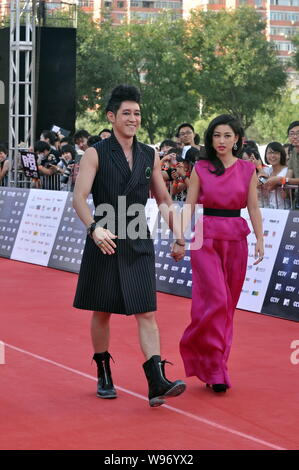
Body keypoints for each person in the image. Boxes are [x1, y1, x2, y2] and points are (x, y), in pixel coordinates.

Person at [72, 84, 186, 407]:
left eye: (137, 113)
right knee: (102, 310)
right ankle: (103, 371)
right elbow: (79, 198)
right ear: (111, 117)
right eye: (126, 113)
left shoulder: (149, 153)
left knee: (147, 311)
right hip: (104, 240)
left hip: (138, 239)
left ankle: (155, 381)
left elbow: (163, 199)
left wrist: (179, 235)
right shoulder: (95, 153)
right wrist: (94, 229)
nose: (133, 118)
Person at [176, 114, 264, 393]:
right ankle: (211, 364)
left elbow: (253, 208)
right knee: (216, 299)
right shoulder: (201, 168)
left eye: (227, 135)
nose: (222, 141)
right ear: (210, 139)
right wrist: (179, 237)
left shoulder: (248, 170)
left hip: (236, 238)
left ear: (237, 139)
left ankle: (216, 365)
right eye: (216, 135)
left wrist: (260, 238)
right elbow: (189, 205)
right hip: (206, 238)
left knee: (227, 306)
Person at [258, 142, 290, 209]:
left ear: (281, 155)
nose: (272, 156)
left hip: (285, 210)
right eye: (270, 153)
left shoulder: (287, 171)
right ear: (266, 155)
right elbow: (257, 183)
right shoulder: (266, 170)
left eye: (276, 153)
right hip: (270, 211)